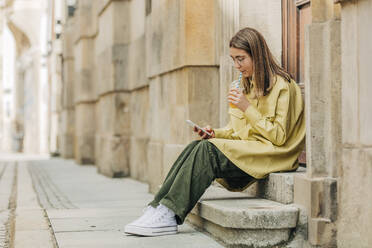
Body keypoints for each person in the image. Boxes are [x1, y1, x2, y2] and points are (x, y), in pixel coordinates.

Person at [124, 27, 305, 236]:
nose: (237, 66)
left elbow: (279, 137)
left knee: (206, 152)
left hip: (274, 155)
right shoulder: (246, 85)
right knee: (198, 145)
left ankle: (170, 214)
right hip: (253, 151)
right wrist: (215, 134)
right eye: (233, 59)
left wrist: (246, 107)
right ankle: (157, 207)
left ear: (257, 54)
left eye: (241, 59)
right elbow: (239, 133)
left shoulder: (283, 86)